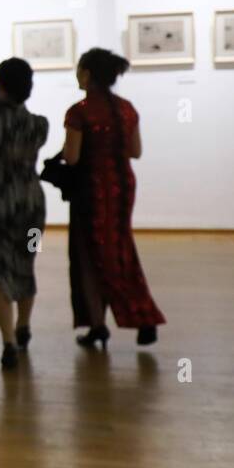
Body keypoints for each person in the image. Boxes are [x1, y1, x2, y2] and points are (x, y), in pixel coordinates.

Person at [61, 48, 166, 347]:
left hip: (90, 190)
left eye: (80, 69)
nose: (77, 75)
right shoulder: (126, 108)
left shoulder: (78, 111)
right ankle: (141, 316)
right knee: (120, 250)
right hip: (122, 187)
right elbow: (136, 152)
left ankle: (99, 324)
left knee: (89, 256)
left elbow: (71, 157)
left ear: (88, 74)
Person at [0, 58, 48, 370]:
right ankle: (24, 325)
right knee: (25, 264)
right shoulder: (40, 124)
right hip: (31, 203)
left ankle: (8, 342)